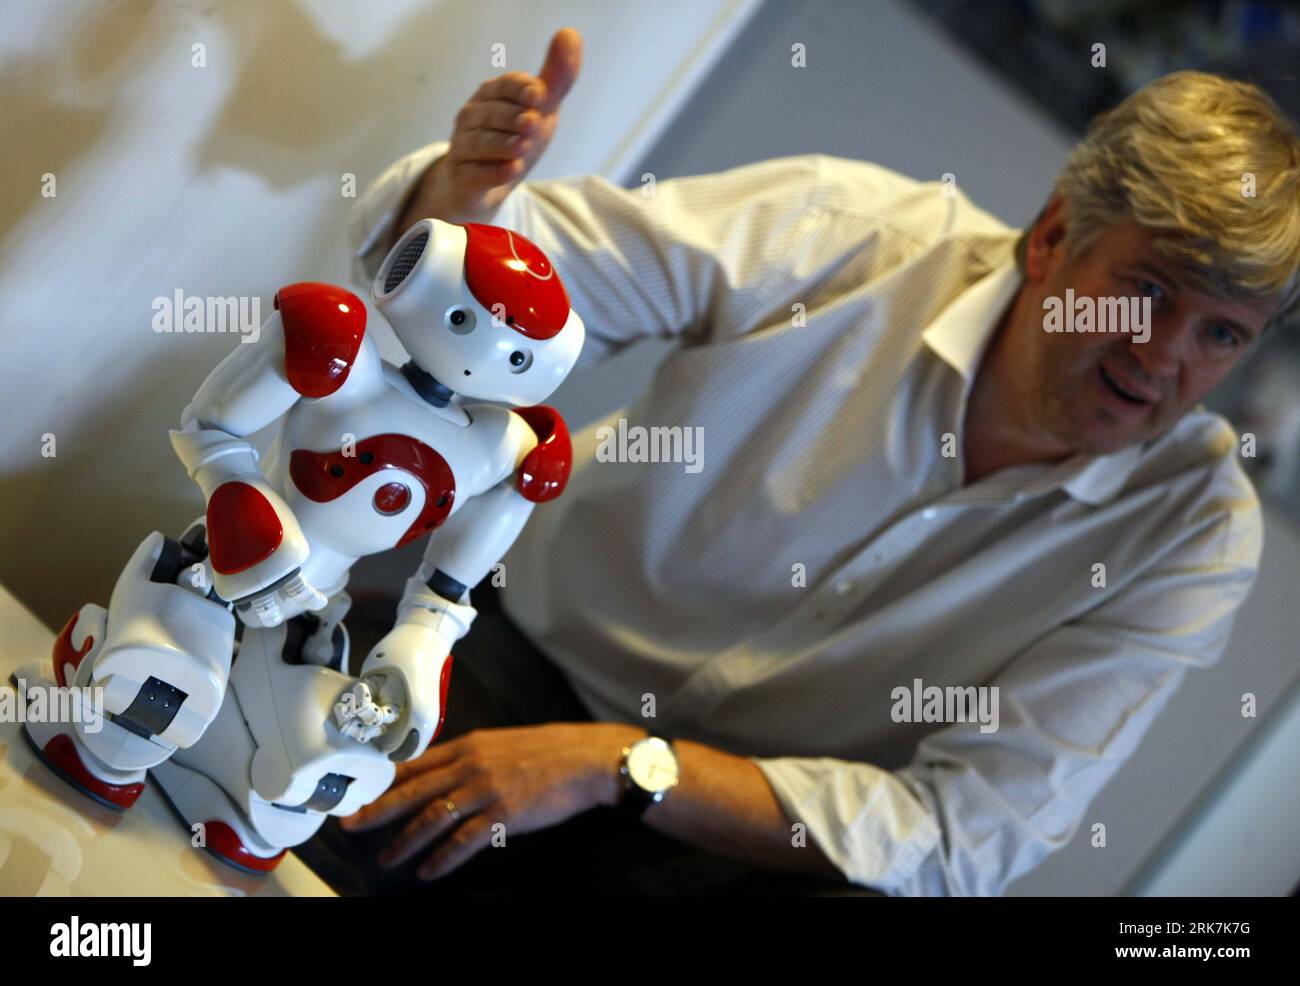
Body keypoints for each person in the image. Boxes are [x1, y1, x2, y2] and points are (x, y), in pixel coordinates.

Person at [314, 27, 1299, 895]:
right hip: (517, 660)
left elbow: (960, 835)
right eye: (1147, 291)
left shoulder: (1194, 533)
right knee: (290, 786)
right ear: (1051, 237)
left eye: (1221, 333)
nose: (1163, 355)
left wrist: (621, 764)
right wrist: (465, 205)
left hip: (735, 845)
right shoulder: (847, 233)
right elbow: (533, 287)